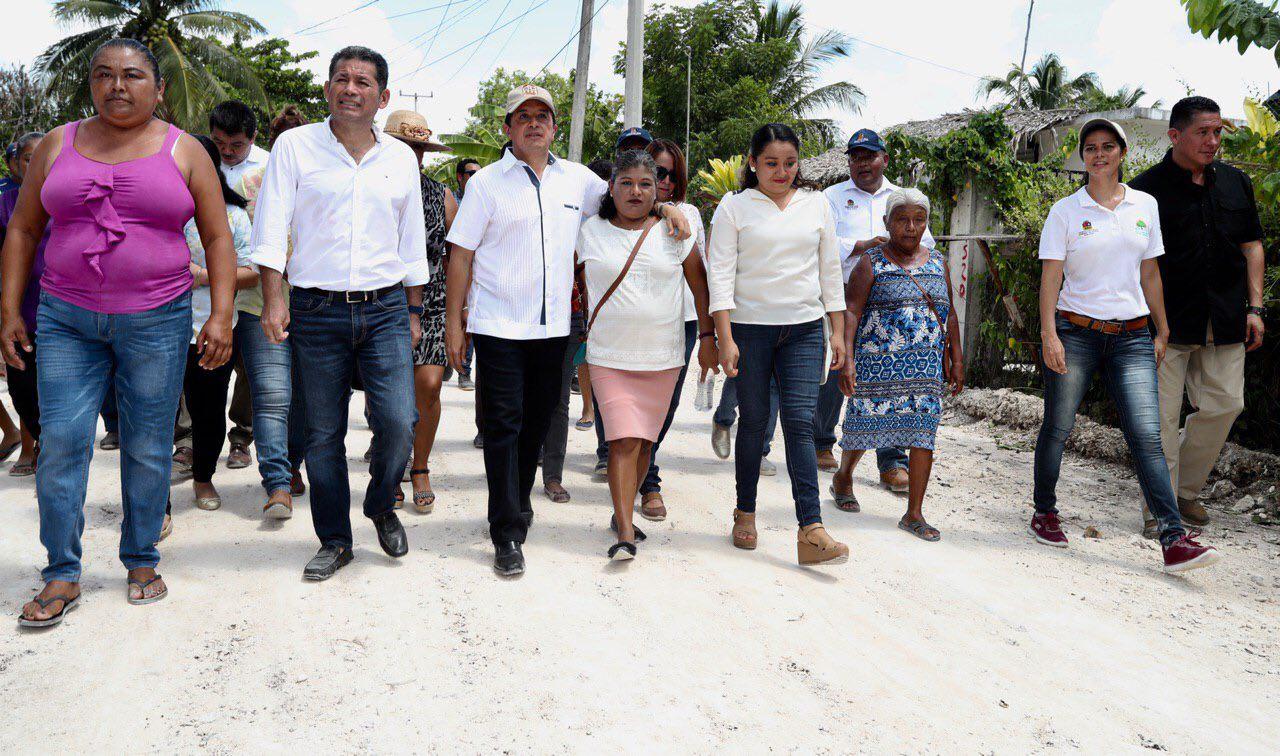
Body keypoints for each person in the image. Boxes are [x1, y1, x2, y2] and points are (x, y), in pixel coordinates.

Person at [3, 38, 236, 626]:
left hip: (157, 318)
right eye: (103, 74)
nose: (116, 85)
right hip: (64, 318)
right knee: (61, 442)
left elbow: (218, 237)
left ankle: (140, 557)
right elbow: (25, 231)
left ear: (158, 89)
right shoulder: (58, 143)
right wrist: (8, 310)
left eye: (132, 75)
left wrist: (221, 314)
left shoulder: (186, 151)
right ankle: (61, 572)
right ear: (91, 84)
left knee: (149, 443)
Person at [445, 84, 690, 576]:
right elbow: (462, 255)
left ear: (554, 127)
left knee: (535, 424)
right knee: (502, 427)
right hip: (497, 326)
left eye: (543, 116)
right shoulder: (487, 184)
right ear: (508, 128)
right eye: (523, 116)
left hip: (555, 328)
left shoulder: (578, 181)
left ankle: (517, 503)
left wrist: (667, 208)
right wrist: (456, 322)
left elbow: (630, 195)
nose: (534, 123)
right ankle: (506, 530)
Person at [251, 46, 425, 581]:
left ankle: (379, 504)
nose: (352, 89)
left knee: (399, 420)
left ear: (383, 96)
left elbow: (411, 238)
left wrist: (414, 311)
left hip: (386, 309)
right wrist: (274, 299)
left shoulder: (398, 157)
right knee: (324, 432)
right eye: (342, 80)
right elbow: (271, 226)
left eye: (364, 82)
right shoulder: (294, 146)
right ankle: (335, 539)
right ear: (327, 89)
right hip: (316, 309)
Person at [1033, 118, 1220, 573]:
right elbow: (1051, 276)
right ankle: (1045, 512)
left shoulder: (1145, 205)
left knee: (1147, 436)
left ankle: (1173, 539)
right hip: (1075, 332)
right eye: (1091, 148)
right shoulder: (1065, 211)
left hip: (1133, 335)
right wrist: (1049, 334)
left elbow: (1149, 272)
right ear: (1083, 156)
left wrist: (1162, 328)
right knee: (1058, 425)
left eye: (1108, 147)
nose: (1099, 154)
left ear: (1122, 152)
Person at [708, 122, 849, 566]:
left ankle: (811, 529)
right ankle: (744, 512)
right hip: (750, 331)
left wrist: (838, 331)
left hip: (805, 330)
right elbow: (720, 276)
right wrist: (724, 337)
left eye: (789, 163)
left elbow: (830, 272)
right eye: (771, 163)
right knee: (753, 422)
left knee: (801, 424)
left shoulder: (816, 204)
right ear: (753, 163)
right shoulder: (734, 208)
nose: (781, 171)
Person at [1130, 96, 1266, 536]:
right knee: (1162, 419)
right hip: (1164, 324)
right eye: (1203, 132)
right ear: (1175, 136)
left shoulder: (1235, 183)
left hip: (1225, 318)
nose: (1213, 141)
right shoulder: (1143, 190)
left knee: (1227, 404)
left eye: (1217, 132)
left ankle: (1184, 491)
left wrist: (1256, 307)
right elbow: (1133, 260)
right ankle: (1159, 509)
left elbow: (1252, 247)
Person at [577, 150, 717, 558]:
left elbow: (700, 286)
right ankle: (623, 529)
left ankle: (623, 509)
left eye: (645, 184)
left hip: (663, 356)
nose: (635, 191)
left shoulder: (675, 230)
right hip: (608, 355)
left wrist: (708, 336)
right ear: (611, 187)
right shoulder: (590, 230)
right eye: (626, 183)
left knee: (643, 443)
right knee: (621, 440)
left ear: (658, 189)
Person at [832, 189, 963, 541]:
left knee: (924, 435)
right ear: (888, 222)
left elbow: (949, 313)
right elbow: (852, 312)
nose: (911, 227)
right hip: (877, 366)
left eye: (919, 220)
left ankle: (914, 513)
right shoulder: (871, 262)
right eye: (902, 220)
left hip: (925, 369)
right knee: (863, 429)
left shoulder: (938, 262)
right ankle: (844, 476)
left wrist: (957, 358)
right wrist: (847, 360)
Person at [819, 128, 935, 489]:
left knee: (894, 375)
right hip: (842, 293)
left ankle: (892, 461)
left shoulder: (903, 197)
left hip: (891, 298)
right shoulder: (831, 197)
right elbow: (821, 241)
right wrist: (862, 246)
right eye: (855, 157)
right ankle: (823, 441)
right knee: (839, 361)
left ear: (884, 159)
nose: (862, 163)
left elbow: (925, 242)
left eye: (869, 156)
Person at [234, 104, 310, 518]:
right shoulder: (252, 181)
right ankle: (277, 482)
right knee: (272, 395)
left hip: (316, 306)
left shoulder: (325, 181)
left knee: (307, 398)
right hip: (258, 304)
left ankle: (293, 466)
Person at [179, 134, 258, 511]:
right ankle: (152, 497)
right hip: (153, 329)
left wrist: (203, 274)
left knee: (208, 408)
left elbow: (252, 271)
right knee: (151, 414)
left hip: (211, 327)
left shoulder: (234, 216)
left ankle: (202, 477)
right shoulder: (156, 210)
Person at [383, 109, 456, 514]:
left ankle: (421, 467)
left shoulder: (440, 194)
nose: (415, 156)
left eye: (421, 149)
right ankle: (390, 467)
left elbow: (458, 255)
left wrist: (459, 313)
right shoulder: (371, 188)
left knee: (428, 385)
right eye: (407, 147)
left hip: (431, 300)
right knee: (388, 396)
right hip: (381, 301)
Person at [209, 99, 270, 470]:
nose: (227, 153)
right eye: (220, 144)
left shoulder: (269, 167)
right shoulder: (199, 159)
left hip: (251, 286)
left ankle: (242, 437)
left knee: (249, 369)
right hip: (200, 285)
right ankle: (189, 442)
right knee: (201, 366)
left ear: (253, 137)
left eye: (236, 146)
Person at [0, 131, 47, 477]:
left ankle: (47, 447)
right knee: (22, 386)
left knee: (55, 385)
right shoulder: (5, 201)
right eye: (29, 158)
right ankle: (35, 438)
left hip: (58, 307)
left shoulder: (64, 195)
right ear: (16, 161)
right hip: (18, 307)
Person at [452, 158, 480, 390]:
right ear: (460, 177)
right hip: (455, 268)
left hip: (477, 272)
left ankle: (464, 371)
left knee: (469, 319)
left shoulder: (483, 197)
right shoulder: (452, 201)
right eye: (471, 173)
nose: (475, 178)